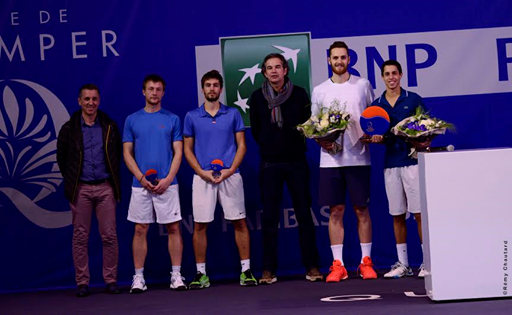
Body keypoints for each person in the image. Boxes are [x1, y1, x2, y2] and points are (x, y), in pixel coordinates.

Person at [249, 53, 323, 284]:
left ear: (285, 70)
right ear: (264, 72)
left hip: (296, 163)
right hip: (269, 164)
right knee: (270, 219)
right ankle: (269, 270)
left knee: (304, 216)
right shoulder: (257, 97)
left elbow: (307, 126)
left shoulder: (300, 94)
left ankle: (312, 267)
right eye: (269, 68)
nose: (274, 71)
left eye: (278, 67)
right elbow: (257, 132)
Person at [183, 70, 257, 289]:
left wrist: (231, 169)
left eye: (216, 85)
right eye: (208, 85)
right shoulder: (191, 116)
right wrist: (201, 172)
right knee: (199, 225)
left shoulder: (233, 114)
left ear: (221, 89)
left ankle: (246, 271)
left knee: (240, 222)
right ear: (203, 88)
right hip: (203, 177)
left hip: (230, 175)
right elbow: (187, 150)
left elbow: (242, 145)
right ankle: (200, 274)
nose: (212, 89)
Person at [311, 41, 377, 282]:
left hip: (359, 157)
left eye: (343, 57)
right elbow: (315, 124)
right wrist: (322, 141)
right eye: (335, 58)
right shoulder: (319, 90)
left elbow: (372, 116)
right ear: (329, 61)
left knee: (362, 210)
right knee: (336, 210)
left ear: (349, 59)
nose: (339, 61)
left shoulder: (362, 85)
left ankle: (365, 262)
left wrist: (373, 133)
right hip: (331, 160)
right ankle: (338, 265)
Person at [57, 84, 122, 297]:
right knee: (80, 237)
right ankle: (82, 282)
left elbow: (116, 156)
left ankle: (111, 280)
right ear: (79, 101)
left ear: (99, 101)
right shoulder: (69, 129)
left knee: (110, 236)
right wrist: (73, 182)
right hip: (81, 189)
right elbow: (62, 159)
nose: (90, 103)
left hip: (105, 188)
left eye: (94, 99)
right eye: (86, 99)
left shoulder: (109, 126)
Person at [123, 74, 186, 293]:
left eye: (158, 89)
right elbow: (127, 153)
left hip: (168, 184)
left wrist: (168, 179)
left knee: (173, 228)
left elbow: (179, 152)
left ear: (163, 93)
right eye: (150, 89)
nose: (154, 93)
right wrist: (141, 177)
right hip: (140, 185)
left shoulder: (173, 119)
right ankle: (138, 278)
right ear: (143, 91)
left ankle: (176, 276)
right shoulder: (132, 120)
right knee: (140, 229)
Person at [370, 60, 427, 278]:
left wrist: (421, 140)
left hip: (412, 163)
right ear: (382, 77)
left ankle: (426, 262)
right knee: (397, 214)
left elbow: (428, 127)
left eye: (394, 73)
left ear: (401, 75)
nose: (391, 77)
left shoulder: (413, 99)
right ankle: (403, 264)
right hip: (390, 165)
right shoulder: (377, 105)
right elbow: (374, 133)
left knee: (420, 214)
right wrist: (375, 138)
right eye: (387, 74)